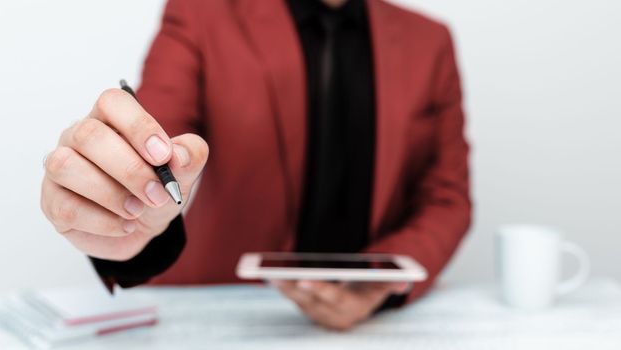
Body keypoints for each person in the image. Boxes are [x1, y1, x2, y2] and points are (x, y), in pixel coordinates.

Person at [40, 0, 471, 331]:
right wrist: (127, 209)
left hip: (373, 327)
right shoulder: (202, 13)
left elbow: (447, 197)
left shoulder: (429, 42)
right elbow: (159, 144)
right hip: (232, 316)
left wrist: (380, 282)